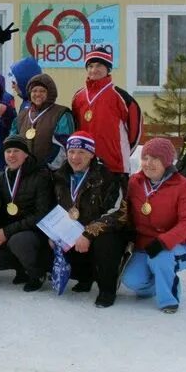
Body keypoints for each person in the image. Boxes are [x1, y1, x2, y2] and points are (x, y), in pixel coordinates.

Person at [120, 137, 186, 313]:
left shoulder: (182, 185)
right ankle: (160, 281)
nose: (148, 163)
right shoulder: (135, 183)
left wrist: (164, 242)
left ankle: (169, 300)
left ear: (167, 162)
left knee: (161, 259)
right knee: (132, 280)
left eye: (155, 159)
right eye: (145, 158)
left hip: (177, 246)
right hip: (144, 246)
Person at [50, 131, 126, 308]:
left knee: (105, 243)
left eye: (81, 152)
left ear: (91, 154)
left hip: (103, 232)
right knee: (53, 241)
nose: (75, 157)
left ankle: (107, 289)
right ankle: (84, 278)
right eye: (71, 152)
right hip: (74, 230)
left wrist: (88, 233)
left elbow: (118, 213)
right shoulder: (60, 177)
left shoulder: (108, 177)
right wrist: (53, 233)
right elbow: (55, 208)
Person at [0, 135, 55, 291]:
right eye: (8, 151)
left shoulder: (40, 176)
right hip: (10, 231)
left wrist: (6, 231)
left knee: (19, 241)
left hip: (35, 232)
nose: (11, 155)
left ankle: (36, 272)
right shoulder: (0, 177)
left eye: (16, 151)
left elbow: (42, 214)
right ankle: (22, 268)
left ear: (26, 154)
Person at [71, 48, 142, 181]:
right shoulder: (78, 97)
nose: (94, 70)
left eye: (99, 65)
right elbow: (75, 128)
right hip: (86, 164)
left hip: (114, 165)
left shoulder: (121, 97)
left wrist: (122, 152)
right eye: (90, 66)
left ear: (108, 68)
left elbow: (135, 132)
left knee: (114, 202)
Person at [11, 73, 74, 170]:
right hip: (24, 171)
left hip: (51, 173)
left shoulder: (61, 114)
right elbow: (12, 142)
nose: (37, 94)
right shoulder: (21, 116)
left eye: (42, 91)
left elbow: (63, 145)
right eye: (34, 91)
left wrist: (46, 167)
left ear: (50, 93)